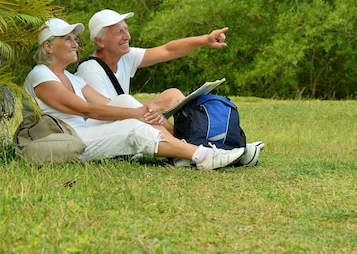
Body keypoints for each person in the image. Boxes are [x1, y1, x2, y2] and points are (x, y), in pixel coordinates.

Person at [22, 17, 253, 170]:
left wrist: (144, 110)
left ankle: (186, 151)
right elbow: (84, 109)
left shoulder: (72, 78)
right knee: (132, 127)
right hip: (67, 138)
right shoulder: (40, 75)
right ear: (48, 47)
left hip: (83, 131)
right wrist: (136, 115)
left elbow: (109, 103)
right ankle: (202, 155)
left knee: (125, 102)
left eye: (75, 38)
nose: (75, 44)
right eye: (67, 39)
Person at [75, 9, 265, 166]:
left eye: (126, 29)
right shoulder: (90, 70)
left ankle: (191, 149)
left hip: (127, 119)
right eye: (118, 32)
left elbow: (168, 50)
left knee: (173, 94)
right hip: (106, 131)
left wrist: (205, 40)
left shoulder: (125, 56)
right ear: (100, 41)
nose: (127, 36)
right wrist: (147, 110)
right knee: (128, 101)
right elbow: (105, 111)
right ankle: (198, 150)